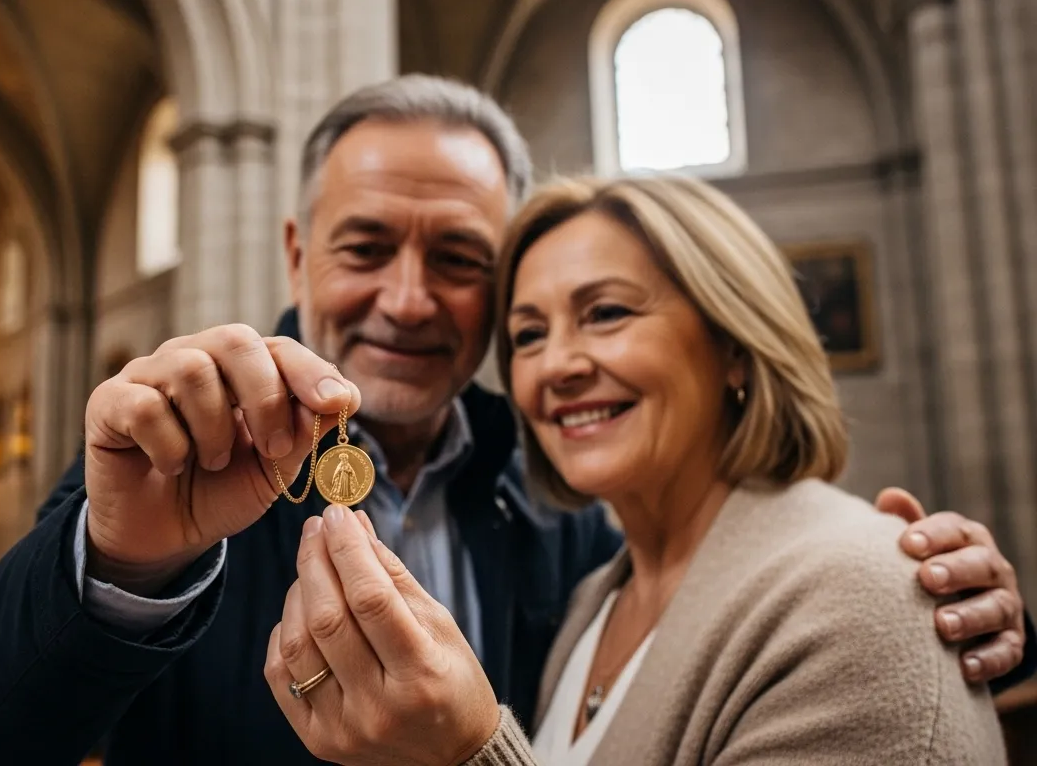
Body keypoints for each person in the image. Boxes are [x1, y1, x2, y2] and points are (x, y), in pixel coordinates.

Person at [0, 75, 1033, 766]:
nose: (405, 298)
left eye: (457, 260)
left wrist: (916, 585)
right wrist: (127, 564)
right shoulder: (176, 466)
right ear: (297, 252)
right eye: (363, 247)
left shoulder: (566, 504)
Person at [264, 175, 1010, 765]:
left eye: (607, 313)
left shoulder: (857, 589)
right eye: (528, 334)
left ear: (734, 344)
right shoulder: (594, 597)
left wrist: (465, 756)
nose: (556, 365)